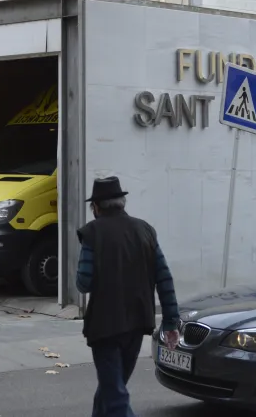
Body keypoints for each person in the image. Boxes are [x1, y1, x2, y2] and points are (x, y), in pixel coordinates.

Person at [76, 176, 180, 417]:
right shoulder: (145, 230)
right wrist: (171, 322)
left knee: (115, 396)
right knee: (112, 389)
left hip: (104, 325)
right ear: (122, 202)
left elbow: (84, 282)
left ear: (96, 207)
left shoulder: (92, 233)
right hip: (137, 322)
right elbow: (164, 279)